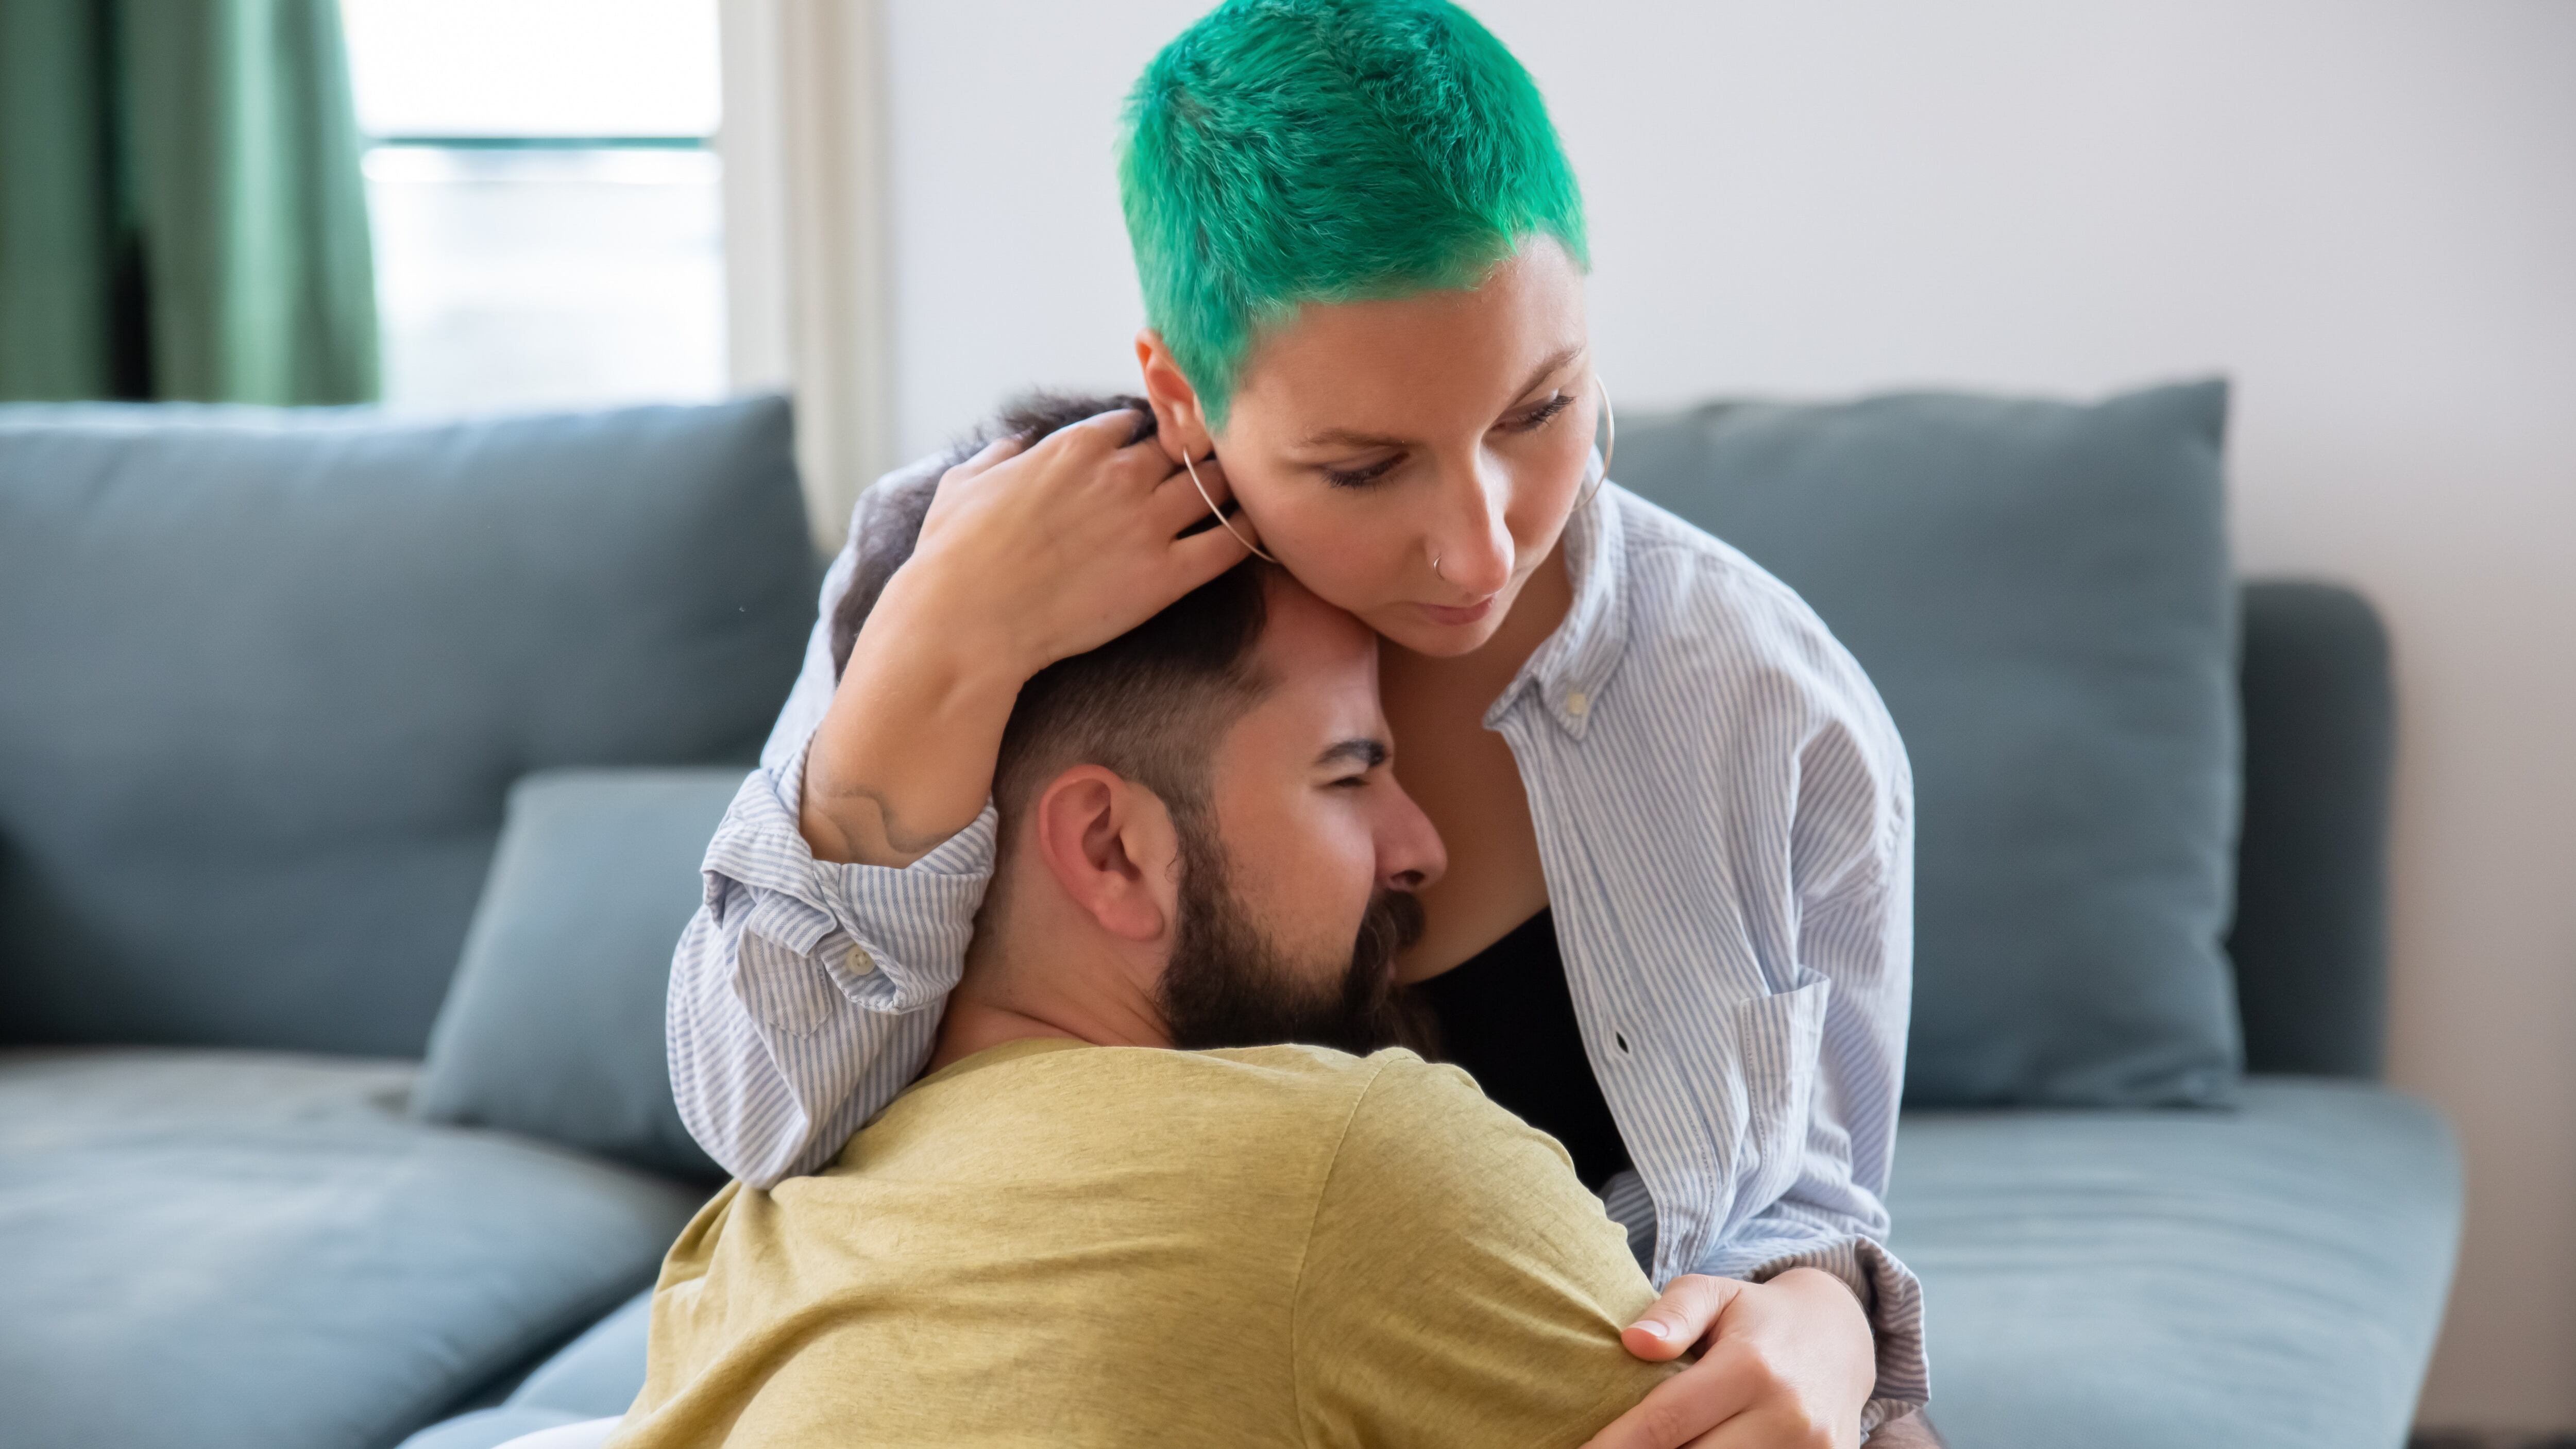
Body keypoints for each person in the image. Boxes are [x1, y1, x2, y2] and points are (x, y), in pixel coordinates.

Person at [668, 2, 1927, 1442]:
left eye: (1543, 407)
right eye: (1364, 464)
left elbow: (1816, 1196)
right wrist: (941, 651)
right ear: (1182, 400)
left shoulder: (1768, 706)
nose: (1478, 547)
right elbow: (764, 1121)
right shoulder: (965, 569)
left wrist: (1831, 1313)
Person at [612, 460, 1700, 1447]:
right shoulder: (1365, 1162)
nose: (1424, 847)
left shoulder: (736, 1250)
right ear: (1111, 847)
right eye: (1349, 770)